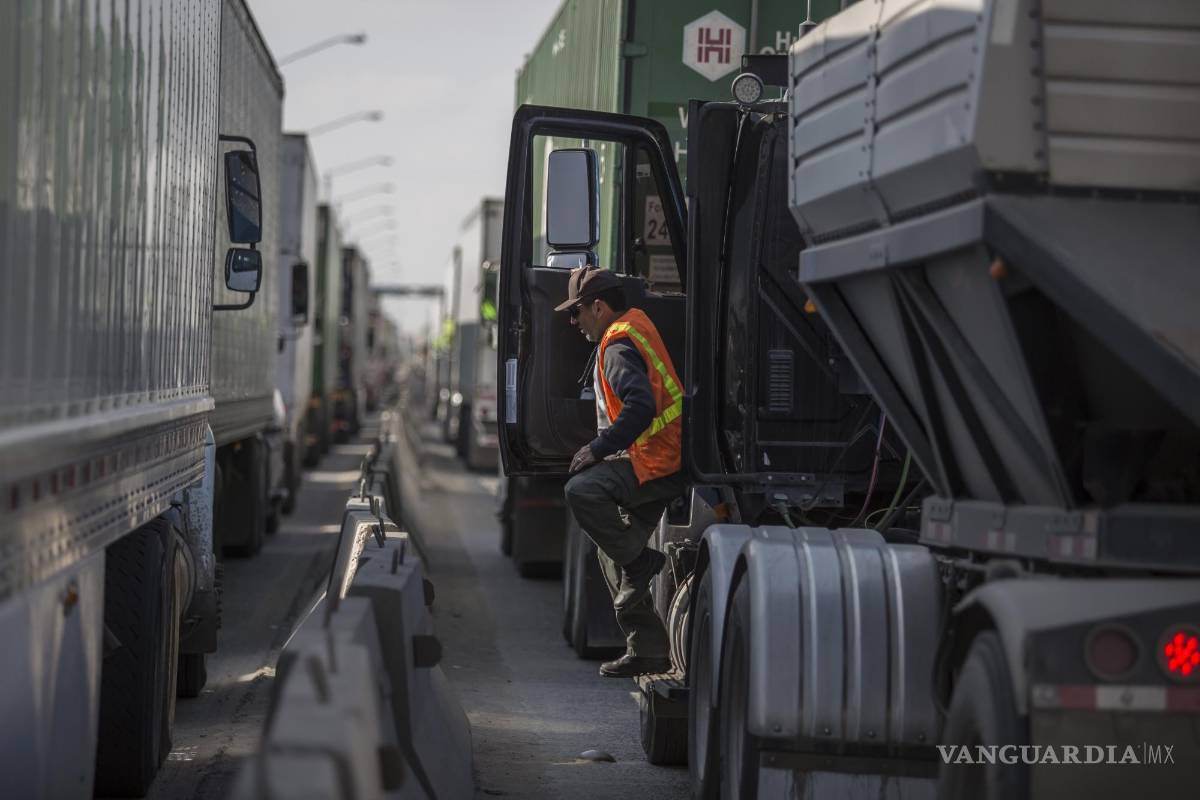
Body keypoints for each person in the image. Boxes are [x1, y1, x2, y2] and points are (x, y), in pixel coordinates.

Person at [558, 266, 686, 678]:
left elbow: (641, 407)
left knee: (582, 492)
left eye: (577, 313)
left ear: (598, 306)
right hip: (661, 458)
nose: (574, 323)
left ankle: (641, 563)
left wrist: (598, 448)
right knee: (613, 549)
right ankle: (647, 648)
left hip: (656, 461)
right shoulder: (635, 328)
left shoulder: (617, 346)